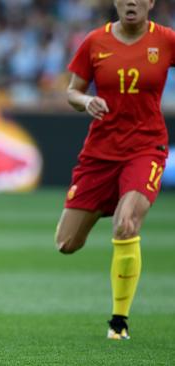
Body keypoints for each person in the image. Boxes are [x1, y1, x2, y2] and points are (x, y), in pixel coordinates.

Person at [56, 0, 170, 340]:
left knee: (127, 224)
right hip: (100, 152)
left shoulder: (165, 40)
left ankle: (118, 322)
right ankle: (113, 202)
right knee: (66, 243)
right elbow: (72, 92)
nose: (131, 1)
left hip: (145, 148)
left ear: (150, 3)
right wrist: (85, 101)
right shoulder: (96, 41)